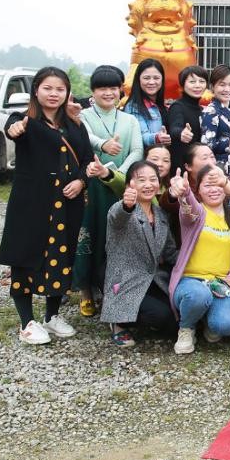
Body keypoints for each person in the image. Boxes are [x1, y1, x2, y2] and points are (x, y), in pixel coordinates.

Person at [0, 66, 93, 344]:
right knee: (25, 256)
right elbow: (12, 128)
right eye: (48, 88)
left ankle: (51, 316)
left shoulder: (75, 125)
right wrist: (14, 128)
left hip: (67, 203)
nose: (54, 94)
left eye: (60, 89)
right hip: (32, 203)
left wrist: (81, 182)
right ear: (36, 90)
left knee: (63, 255)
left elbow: (88, 159)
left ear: (67, 92)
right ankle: (26, 322)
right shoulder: (25, 120)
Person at [78, 65, 144, 317]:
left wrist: (119, 174)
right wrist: (103, 144)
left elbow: (137, 151)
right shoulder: (83, 116)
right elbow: (85, 137)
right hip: (91, 184)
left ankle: (110, 290)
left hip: (119, 185)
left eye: (113, 88)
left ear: (120, 91)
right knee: (89, 235)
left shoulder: (129, 120)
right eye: (102, 88)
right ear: (93, 91)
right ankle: (85, 290)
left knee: (114, 238)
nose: (108, 93)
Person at [168, 165, 230, 354]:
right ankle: (186, 328)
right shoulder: (197, 213)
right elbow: (188, 208)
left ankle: (206, 319)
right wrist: (184, 192)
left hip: (219, 284)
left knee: (227, 325)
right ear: (199, 190)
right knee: (198, 296)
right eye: (208, 185)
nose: (214, 189)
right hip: (191, 281)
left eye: (218, 184)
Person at [101, 160, 178, 347]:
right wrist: (127, 205)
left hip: (153, 280)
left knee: (174, 321)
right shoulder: (121, 209)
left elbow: (170, 252)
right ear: (130, 185)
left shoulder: (160, 214)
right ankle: (118, 322)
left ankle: (136, 315)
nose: (148, 184)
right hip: (126, 281)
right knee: (160, 315)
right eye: (141, 180)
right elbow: (118, 217)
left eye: (153, 179)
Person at [200, 64, 230, 179]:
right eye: (222, 85)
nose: (227, 89)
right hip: (216, 172)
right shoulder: (211, 111)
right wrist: (228, 144)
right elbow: (206, 144)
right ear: (212, 87)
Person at [166, 65, 209, 170]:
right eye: (192, 82)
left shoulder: (203, 110)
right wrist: (181, 133)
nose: (197, 85)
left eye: (202, 81)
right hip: (181, 167)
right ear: (183, 84)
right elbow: (174, 127)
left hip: (199, 167)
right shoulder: (177, 106)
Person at [123, 59, 170, 150]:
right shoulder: (133, 107)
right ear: (138, 80)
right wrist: (157, 138)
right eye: (146, 78)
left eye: (156, 78)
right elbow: (141, 136)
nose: (151, 82)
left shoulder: (163, 105)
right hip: (147, 156)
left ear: (162, 79)